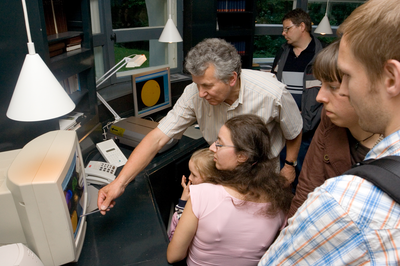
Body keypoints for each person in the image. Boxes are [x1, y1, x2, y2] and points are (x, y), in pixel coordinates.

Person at [258, 0, 400, 264]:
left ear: (391, 79)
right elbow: (307, 185)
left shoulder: (342, 204)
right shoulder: (331, 124)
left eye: (344, 78)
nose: (323, 96)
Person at [98, 38, 302, 214]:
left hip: (263, 177)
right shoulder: (193, 94)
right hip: (220, 175)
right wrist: (119, 183)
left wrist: (289, 166)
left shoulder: (272, 93)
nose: (201, 93)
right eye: (197, 84)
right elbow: (157, 137)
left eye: (207, 86)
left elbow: (294, 130)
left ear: (232, 78)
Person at [167, 114, 292, 265]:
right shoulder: (279, 201)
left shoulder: (201, 195)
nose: (212, 147)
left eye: (220, 143)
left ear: (242, 156)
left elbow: (174, 256)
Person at [288, 40, 382, 217]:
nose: (320, 97)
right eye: (321, 85)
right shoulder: (329, 117)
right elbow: (308, 186)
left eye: (332, 87)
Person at [272, 8, 324, 179]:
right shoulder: (282, 52)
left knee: (303, 173)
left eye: (287, 28)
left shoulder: (322, 55)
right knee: (280, 171)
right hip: (282, 125)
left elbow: (329, 92)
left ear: (302, 27)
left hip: (309, 127)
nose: (283, 33)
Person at [167, 148, 219, 241]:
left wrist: (183, 201)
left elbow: (181, 226)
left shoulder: (202, 201)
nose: (190, 177)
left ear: (211, 178)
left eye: (194, 175)